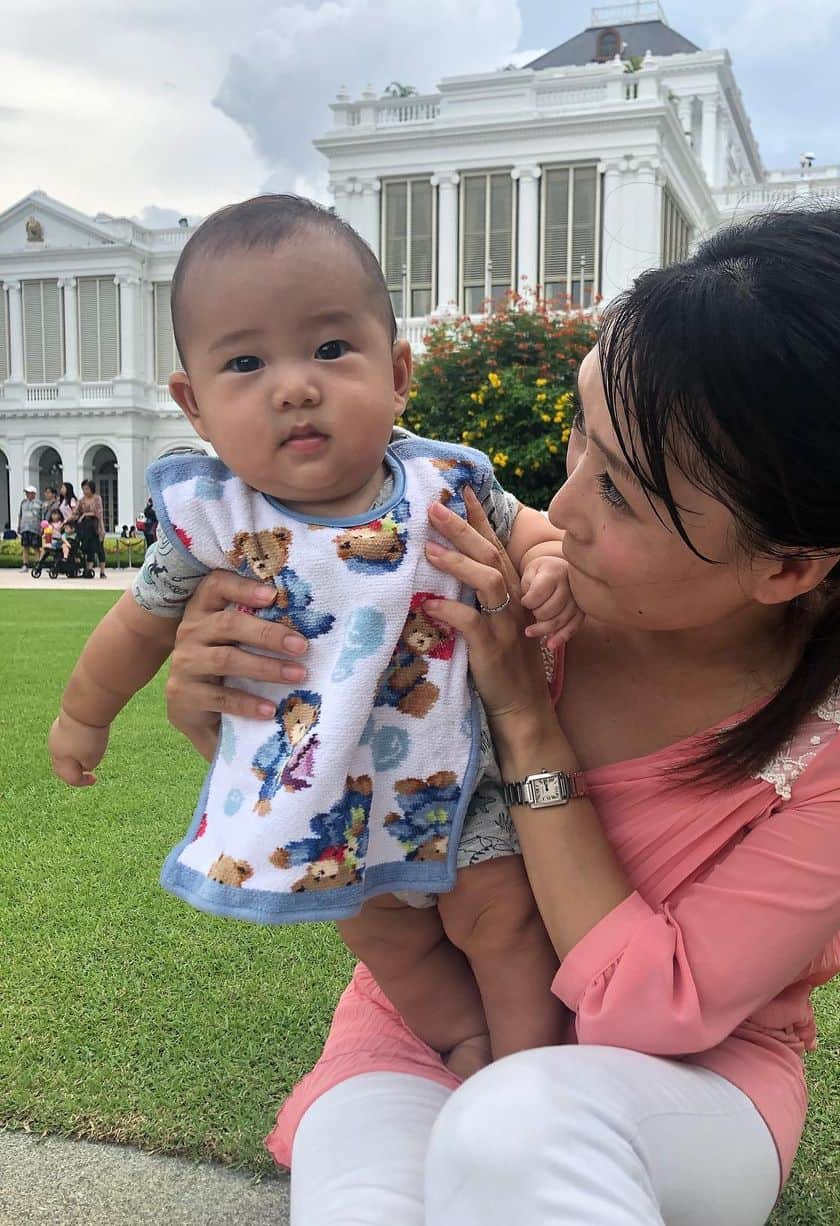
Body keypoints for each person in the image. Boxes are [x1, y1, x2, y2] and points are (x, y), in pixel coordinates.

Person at [164, 207, 840, 1225]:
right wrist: (226, 706)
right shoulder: (467, 569)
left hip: (687, 1079)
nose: (568, 506)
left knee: (519, 1131)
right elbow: (337, 813)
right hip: (432, 1018)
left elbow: (658, 1006)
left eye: (628, 496)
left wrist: (525, 714)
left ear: (788, 564)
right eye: (580, 439)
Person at [48, 193, 585, 1081]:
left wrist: (552, 562)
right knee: (382, 937)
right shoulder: (213, 519)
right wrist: (83, 714)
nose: (295, 384)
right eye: (247, 362)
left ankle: (528, 1074)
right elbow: (138, 623)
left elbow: (530, 532)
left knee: (503, 919)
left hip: (453, 775)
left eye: (332, 349)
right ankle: (462, 1042)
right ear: (193, 405)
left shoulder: (444, 481)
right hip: (313, 792)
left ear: (399, 371)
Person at [74, 479, 107, 578]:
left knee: (99, 549)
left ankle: (102, 571)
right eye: (83, 489)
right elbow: (76, 512)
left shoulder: (97, 499)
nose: (85, 491)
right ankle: (89, 569)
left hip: (95, 526)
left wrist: (102, 528)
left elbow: (98, 513)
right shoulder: (82, 500)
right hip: (85, 528)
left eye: (87, 488)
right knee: (88, 549)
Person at [17, 484, 43, 572]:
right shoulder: (23, 502)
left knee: (36, 547)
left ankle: (38, 564)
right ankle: (25, 565)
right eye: (27, 493)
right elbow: (20, 515)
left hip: (35, 528)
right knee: (25, 547)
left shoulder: (39, 503)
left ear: (34, 493)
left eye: (29, 493)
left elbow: (42, 517)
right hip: (25, 527)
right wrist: (19, 525)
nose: (27, 494)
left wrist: (42, 528)